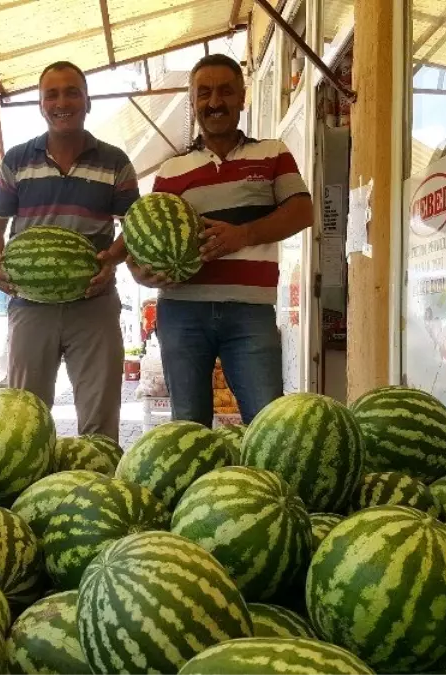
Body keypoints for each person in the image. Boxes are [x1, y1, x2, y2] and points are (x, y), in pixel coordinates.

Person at [130, 53, 314, 427]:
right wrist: (140, 274)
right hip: (181, 311)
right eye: (204, 93)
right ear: (193, 102)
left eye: (226, 92)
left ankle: (261, 486)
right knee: (188, 428)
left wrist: (242, 235)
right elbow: (145, 233)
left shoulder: (273, 152)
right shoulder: (171, 169)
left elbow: (302, 211)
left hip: (249, 312)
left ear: (242, 98)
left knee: (268, 424)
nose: (215, 102)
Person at [0, 61, 140, 442]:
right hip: (31, 305)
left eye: (71, 92)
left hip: (94, 302)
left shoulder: (115, 161)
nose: (61, 101)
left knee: (100, 418)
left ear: (87, 101)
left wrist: (112, 259)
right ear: (40, 104)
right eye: (51, 94)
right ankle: (30, 491)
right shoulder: (17, 160)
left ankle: (98, 489)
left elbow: (134, 227)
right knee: (24, 418)